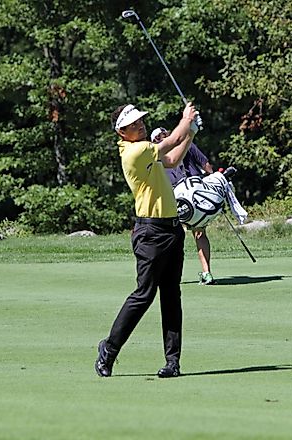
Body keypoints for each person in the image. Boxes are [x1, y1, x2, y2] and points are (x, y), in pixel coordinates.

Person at [94, 102, 200, 379]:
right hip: (150, 233)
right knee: (144, 294)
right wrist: (186, 120)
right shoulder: (135, 151)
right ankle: (109, 349)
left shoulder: (144, 149)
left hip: (172, 229)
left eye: (141, 122)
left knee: (171, 295)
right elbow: (173, 139)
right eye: (133, 125)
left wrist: (191, 134)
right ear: (122, 133)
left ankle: (172, 362)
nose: (140, 126)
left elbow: (174, 159)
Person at [151, 127, 216, 285]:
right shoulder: (154, 156)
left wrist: (214, 181)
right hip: (173, 198)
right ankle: (167, 273)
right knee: (171, 235)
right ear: (154, 142)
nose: (162, 137)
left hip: (195, 194)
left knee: (199, 232)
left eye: (164, 134)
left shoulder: (188, 145)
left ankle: (207, 273)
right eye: (158, 137)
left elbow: (204, 163)